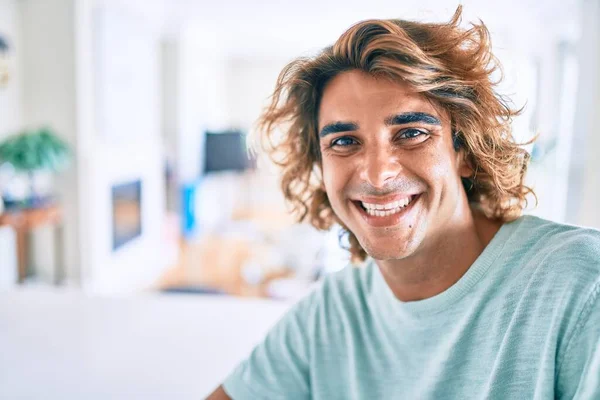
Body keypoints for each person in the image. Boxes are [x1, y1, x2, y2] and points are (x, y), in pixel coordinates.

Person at [208, 6, 600, 399]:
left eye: (411, 133)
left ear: (464, 150)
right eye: (343, 142)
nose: (377, 176)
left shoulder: (581, 284)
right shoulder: (330, 312)